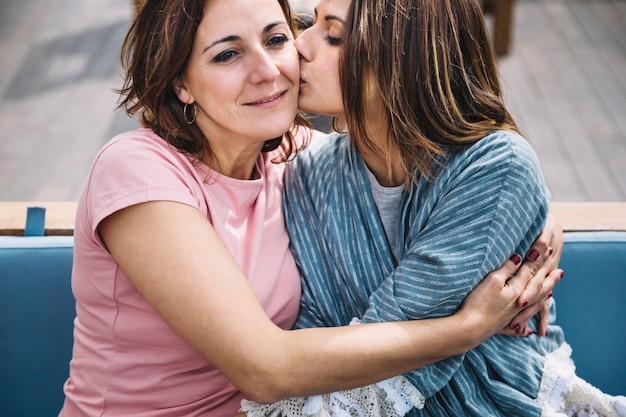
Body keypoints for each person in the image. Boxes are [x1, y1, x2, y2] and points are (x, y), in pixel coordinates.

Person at [59, 0, 561, 416]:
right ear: (180, 84)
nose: (271, 67)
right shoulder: (137, 170)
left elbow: (471, 175)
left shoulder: (286, 157)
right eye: (227, 55)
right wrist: (466, 329)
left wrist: (533, 227)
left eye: (276, 39)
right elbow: (265, 368)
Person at [240, 0, 626, 416]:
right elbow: (316, 324)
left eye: (334, 35)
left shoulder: (494, 166)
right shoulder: (309, 174)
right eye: (310, 23)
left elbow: (397, 326)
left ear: (405, 58)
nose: (301, 45)